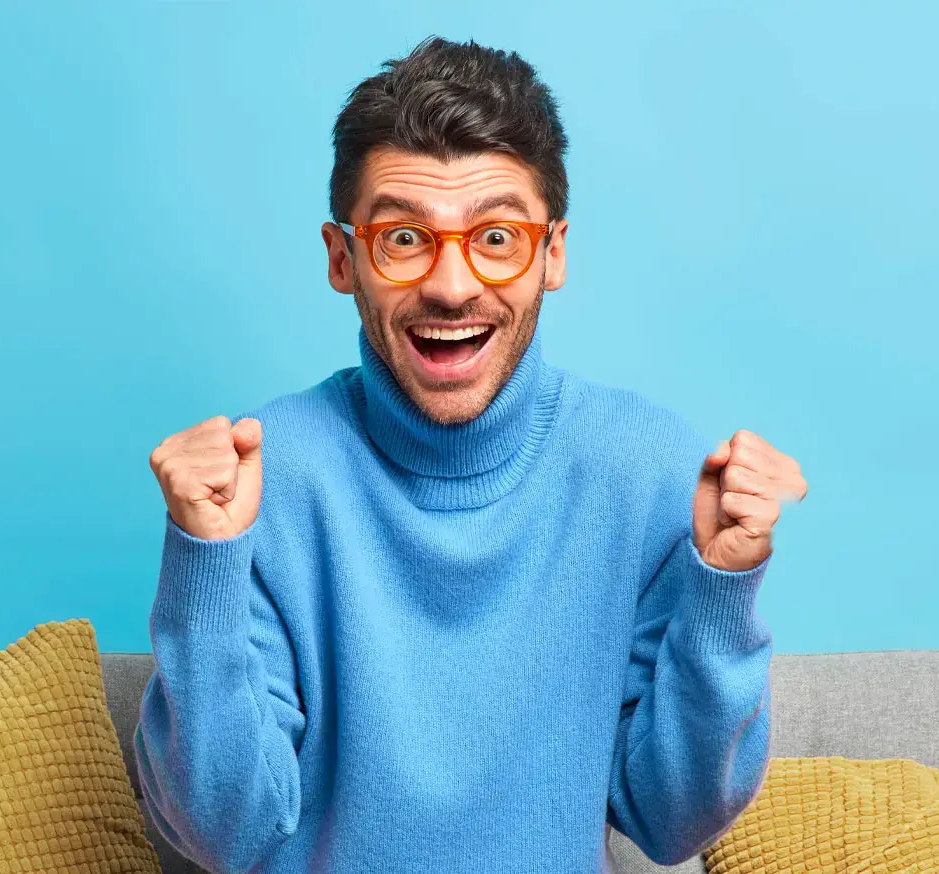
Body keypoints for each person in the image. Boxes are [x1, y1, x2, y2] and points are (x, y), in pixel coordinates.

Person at [134, 35, 810, 873]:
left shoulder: (648, 472)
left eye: (496, 237)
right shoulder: (260, 483)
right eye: (403, 238)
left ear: (552, 254)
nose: (452, 287)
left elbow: (672, 823)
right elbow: (222, 834)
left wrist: (723, 593)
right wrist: (204, 567)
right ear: (344, 259)